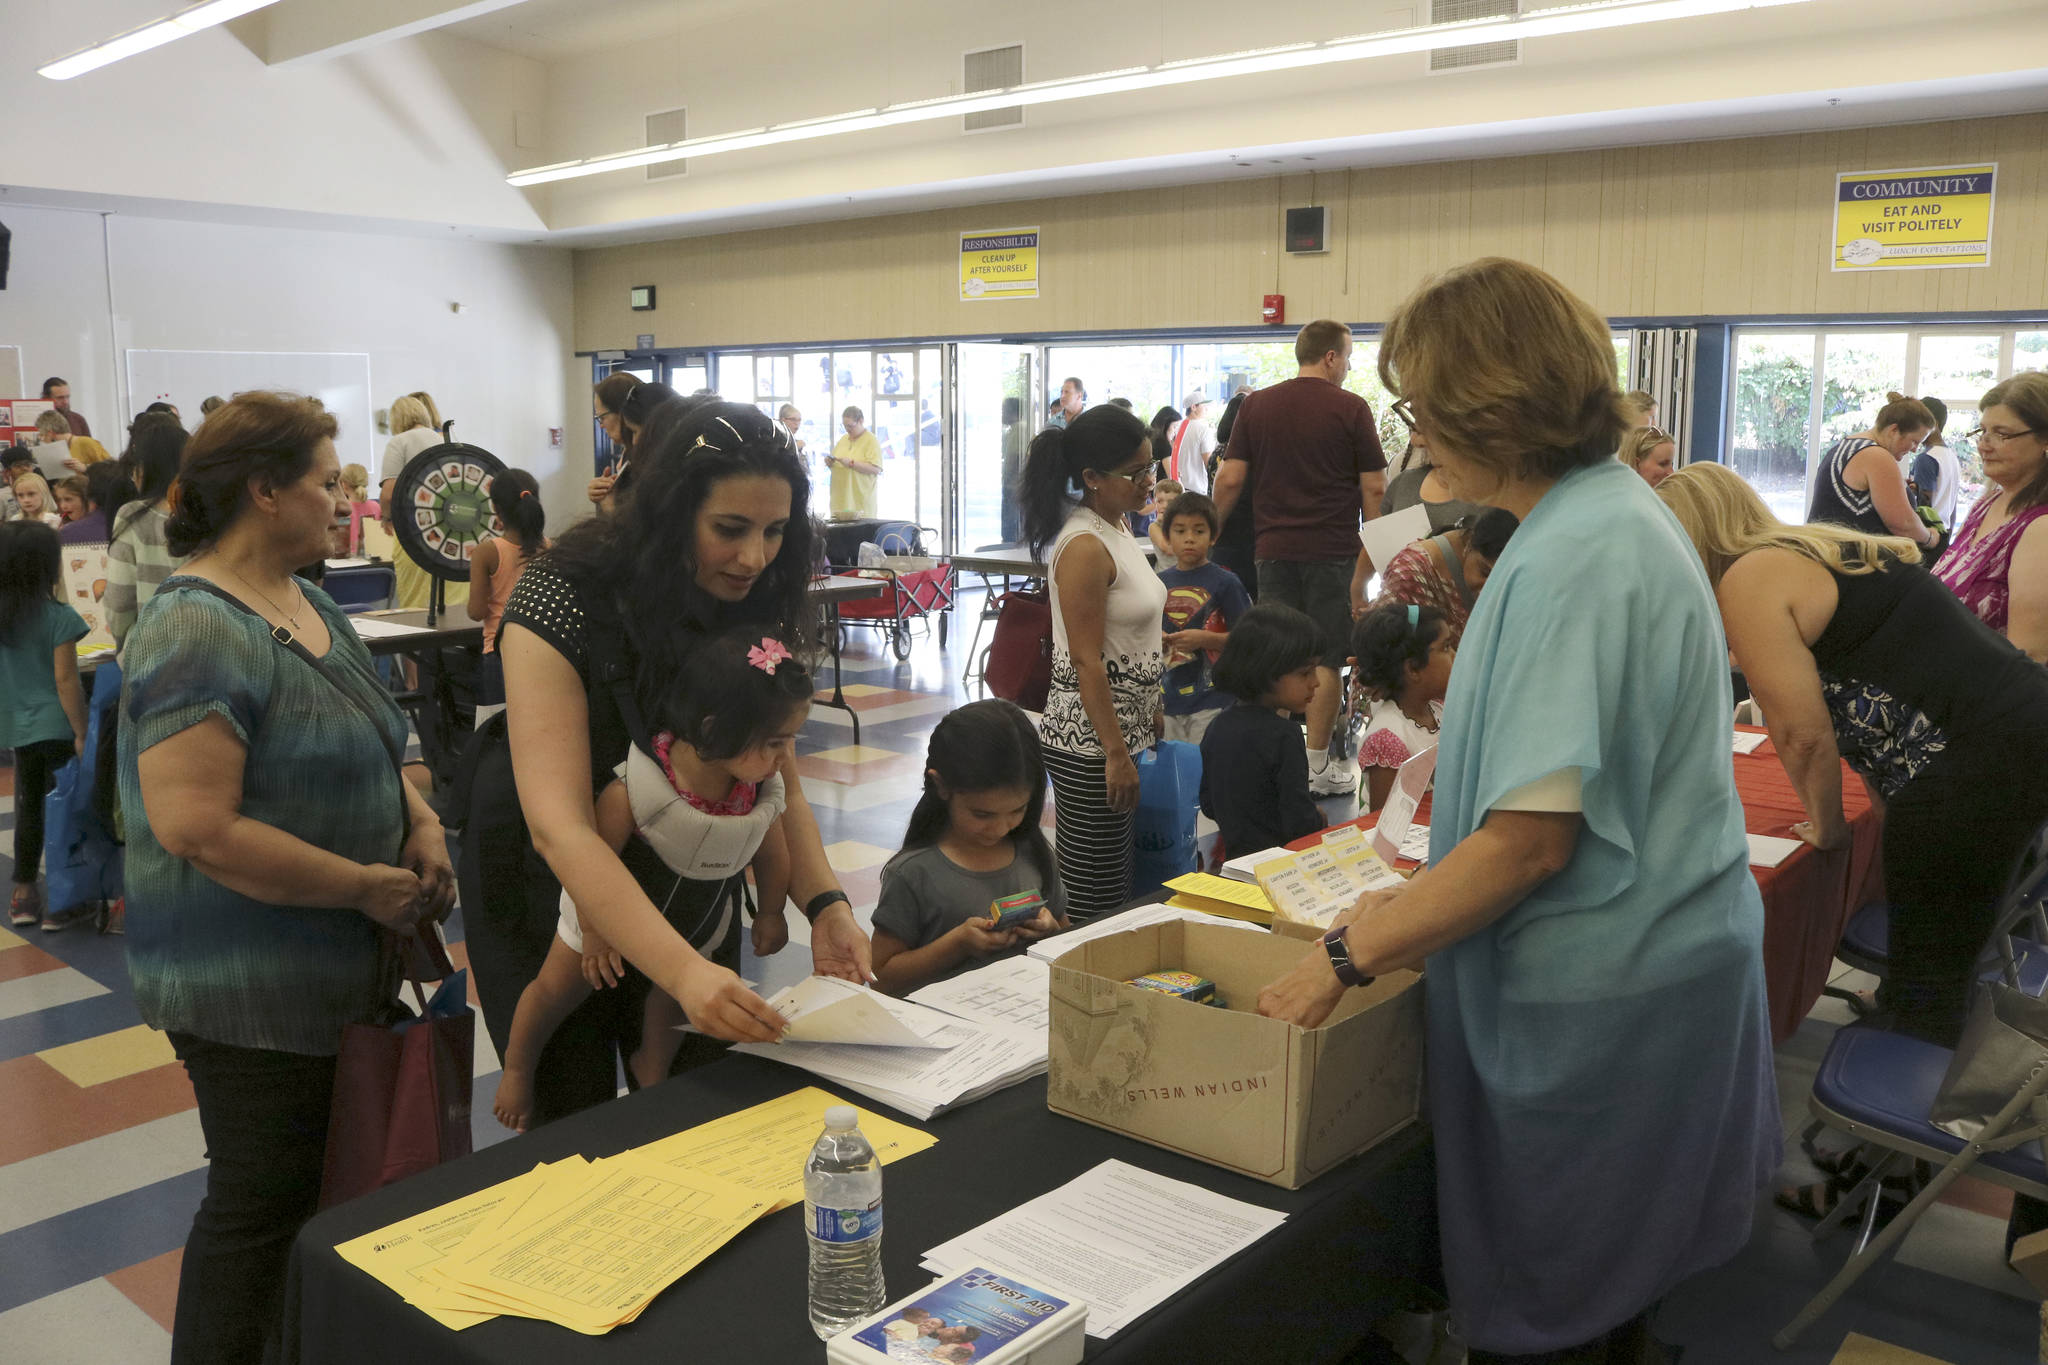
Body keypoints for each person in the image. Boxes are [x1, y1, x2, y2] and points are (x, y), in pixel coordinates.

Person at [1257, 258, 1779, 1363]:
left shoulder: (1571, 557)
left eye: (1421, 409)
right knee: (1611, 1301)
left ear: (1487, 406)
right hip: (1650, 957)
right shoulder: (1604, 519)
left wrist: (1346, 952)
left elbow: (1527, 843)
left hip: (1601, 985)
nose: (1417, 437)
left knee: (1560, 1314)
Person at [119, 391, 454, 1363]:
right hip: (245, 985)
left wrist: (421, 818)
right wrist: (359, 885)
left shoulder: (304, 603)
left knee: (310, 1189)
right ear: (264, 491)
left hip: (332, 965)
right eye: (324, 481)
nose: (341, 499)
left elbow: (375, 737)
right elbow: (197, 827)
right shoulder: (195, 629)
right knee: (259, 1204)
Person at [471, 401, 871, 1126]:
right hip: (557, 884)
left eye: (775, 531)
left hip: (681, 872)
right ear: (670, 512)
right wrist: (684, 971)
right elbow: (560, 829)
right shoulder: (559, 593)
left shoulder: (747, 597)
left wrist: (827, 905)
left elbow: (775, 771)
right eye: (730, 529)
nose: (754, 557)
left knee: (693, 1105)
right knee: (574, 1116)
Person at [1660, 460, 2048, 1049]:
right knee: (1947, 936)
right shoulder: (1825, 548)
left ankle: (1912, 1114)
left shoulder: (1749, 578)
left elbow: (1803, 732)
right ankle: (1912, 1051)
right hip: (2013, 726)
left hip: (1973, 760)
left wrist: (1829, 828)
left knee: (1931, 964)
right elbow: (1884, 696)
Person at [492, 631, 809, 1131]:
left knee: (674, 1001)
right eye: (775, 742)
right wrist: (595, 932)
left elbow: (773, 850)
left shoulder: (753, 793)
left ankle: (651, 1069)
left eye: (791, 740)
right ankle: (516, 1066)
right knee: (555, 990)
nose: (785, 757)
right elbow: (588, 857)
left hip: (696, 920)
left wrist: (770, 911)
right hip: (601, 917)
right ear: (713, 729)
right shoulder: (636, 791)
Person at [1210, 319, 1388, 797]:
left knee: (1279, 652)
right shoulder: (1351, 409)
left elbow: (1229, 480)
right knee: (1327, 656)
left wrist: (1210, 533)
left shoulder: (1257, 405)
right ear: (1330, 356)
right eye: (1347, 357)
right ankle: (1315, 766)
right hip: (1332, 553)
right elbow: (1374, 486)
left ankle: (1274, 756)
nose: (1348, 368)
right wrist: (1377, 554)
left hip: (1273, 550)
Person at [1021, 403, 1165, 920]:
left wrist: (1151, 706)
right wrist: (1115, 753)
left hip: (1119, 732)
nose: (1151, 480)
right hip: (1088, 742)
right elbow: (1085, 660)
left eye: (1152, 466)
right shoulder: (1084, 545)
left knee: (1112, 884)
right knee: (1091, 896)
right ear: (1092, 478)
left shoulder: (1119, 526)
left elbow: (1131, 636)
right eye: (1138, 472)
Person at [870, 700, 1068, 996]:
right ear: (941, 786)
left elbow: (1067, 934)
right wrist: (957, 944)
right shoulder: (913, 873)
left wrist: (1051, 932)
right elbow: (881, 977)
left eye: (1018, 811)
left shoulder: (1033, 852)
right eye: (982, 815)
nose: (1001, 829)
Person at [2, 522, 90, 930]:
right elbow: (65, 680)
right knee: (66, 810)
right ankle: (63, 900)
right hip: (57, 728)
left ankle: (23, 895)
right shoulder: (60, 616)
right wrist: (82, 731)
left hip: (18, 729)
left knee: (29, 809)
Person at [1934, 372, 2048, 662]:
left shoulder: (2041, 528)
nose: (1984, 444)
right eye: (1982, 431)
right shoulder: (1988, 503)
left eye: (2002, 434)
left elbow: (2029, 658)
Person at [1197, 605, 1327, 859]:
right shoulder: (1284, 735)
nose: (1316, 681)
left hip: (1233, 863)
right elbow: (1299, 821)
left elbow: (1209, 805)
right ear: (1267, 671)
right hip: (1281, 868)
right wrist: (1318, 818)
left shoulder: (1217, 727)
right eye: (1305, 672)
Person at [1156, 492, 1252, 746]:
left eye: (1199, 531)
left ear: (1214, 536)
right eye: (1180, 530)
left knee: (1207, 771)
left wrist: (1205, 639)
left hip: (1214, 698)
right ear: (1167, 536)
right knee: (1177, 771)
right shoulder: (1158, 583)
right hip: (1169, 698)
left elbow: (1247, 639)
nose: (1189, 538)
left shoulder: (1226, 582)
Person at [1806, 393, 1940, 549]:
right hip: (1845, 559)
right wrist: (1930, 538)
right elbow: (1903, 524)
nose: (1915, 449)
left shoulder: (1849, 445)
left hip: (1826, 550)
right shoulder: (1876, 455)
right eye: (1914, 441)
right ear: (1894, 430)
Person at [1352, 603, 1452, 810]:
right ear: (1413, 668)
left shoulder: (1440, 709)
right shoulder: (1388, 738)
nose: (1455, 654)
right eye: (1446, 647)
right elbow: (1386, 823)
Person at [1371, 507, 1518, 648]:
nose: (1489, 588)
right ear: (1469, 545)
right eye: (1485, 572)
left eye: (1501, 579)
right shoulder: (1410, 575)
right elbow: (1384, 652)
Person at [107, 414, 191, 653]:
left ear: (145, 466)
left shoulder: (134, 515)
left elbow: (118, 600)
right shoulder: (212, 514)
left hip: (151, 651)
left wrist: (125, 643)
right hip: (211, 650)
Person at [467, 467, 549, 708]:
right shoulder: (551, 548)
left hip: (501, 653)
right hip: (544, 650)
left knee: (501, 731)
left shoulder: (487, 552)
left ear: (495, 509)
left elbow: (476, 612)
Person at [378, 394, 466, 611]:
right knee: (450, 598)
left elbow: (389, 493)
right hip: (452, 535)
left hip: (415, 532)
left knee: (418, 604)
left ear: (397, 419)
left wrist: (387, 518)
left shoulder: (399, 442)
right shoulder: (446, 440)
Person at [1207, 391, 1258, 598]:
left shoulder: (1218, 452)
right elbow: (1230, 483)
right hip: (1242, 536)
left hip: (1223, 537)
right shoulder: (1245, 456)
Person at [1908, 396, 1962, 527]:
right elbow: (1953, 507)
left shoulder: (1926, 458)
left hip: (1928, 533)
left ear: (1934, 423)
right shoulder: (1952, 457)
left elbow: (1924, 506)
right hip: (1943, 531)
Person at [827, 406, 882, 519]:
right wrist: (830, 463)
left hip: (860, 504)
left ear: (861, 421)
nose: (847, 429)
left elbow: (876, 469)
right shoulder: (843, 440)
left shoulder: (871, 440)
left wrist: (852, 464)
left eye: (850, 426)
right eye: (845, 426)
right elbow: (838, 463)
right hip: (840, 503)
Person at [61, 461, 131, 547]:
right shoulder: (145, 527)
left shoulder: (69, 532)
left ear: (89, 493)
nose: (63, 506)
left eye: (68, 499)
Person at [1167, 393, 1216, 496]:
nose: (1207, 409)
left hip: (1177, 488)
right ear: (1193, 407)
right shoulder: (1203, 430)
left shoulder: (1178, 427)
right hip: (1197, 491)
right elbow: (1209, 463)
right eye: (1204, 405)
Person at [999, 395, 1027, 544]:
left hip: (1014, 485)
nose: (1002, 414)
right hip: (1015, 484)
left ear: (1012, 412)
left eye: (1004, 410)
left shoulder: (1019, 430)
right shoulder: (1015, 429)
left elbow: (1015, 459)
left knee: (1010, 527)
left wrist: (1008, 477)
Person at [32, 410, 72, 480]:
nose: (42, 439)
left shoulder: (85, 442)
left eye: (42, 435)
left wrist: (84, 467)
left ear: (49, 433)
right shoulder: (59, 450)